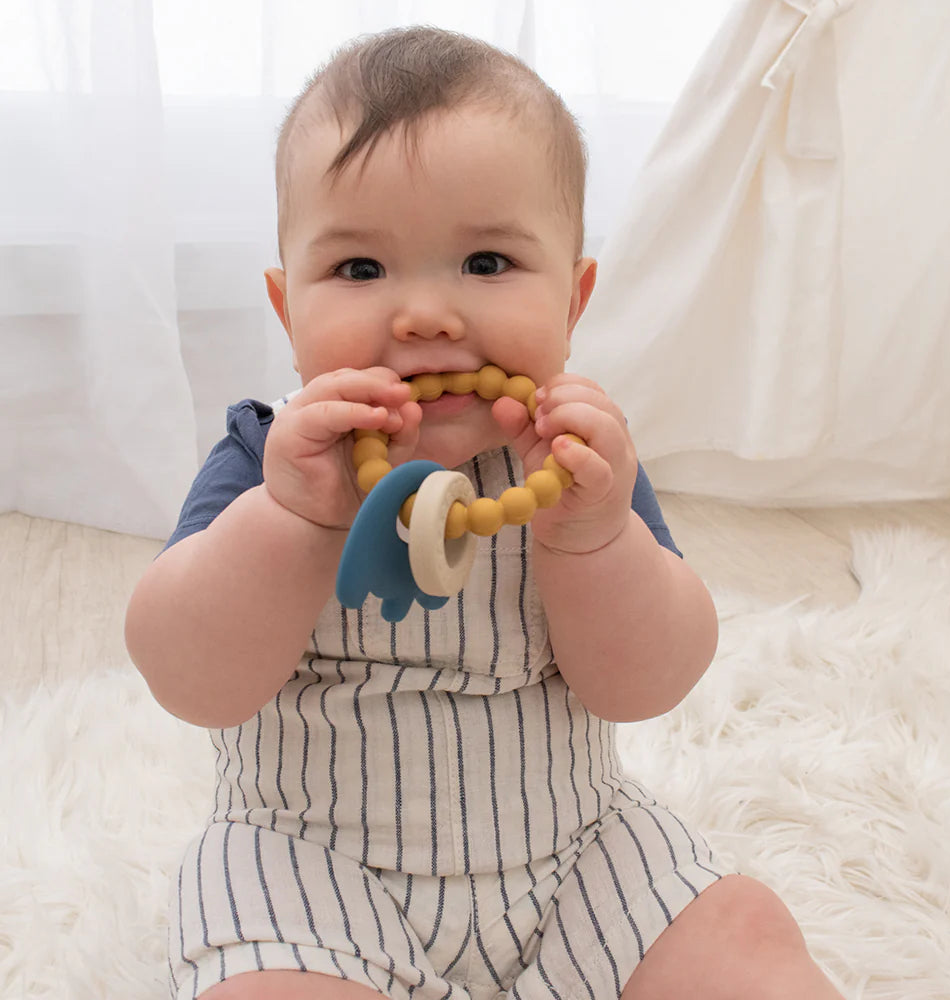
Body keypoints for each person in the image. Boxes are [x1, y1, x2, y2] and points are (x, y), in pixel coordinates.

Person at [125, 25, 844, 1000]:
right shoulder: (268, 459)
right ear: (287, 310)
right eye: (361, 271)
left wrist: (593, 540)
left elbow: (648, 681)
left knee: (744, 931)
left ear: (574, 299)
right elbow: (188, 676)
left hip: (577, 856)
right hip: (309, 870)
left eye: (488, 262)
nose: (425, 314)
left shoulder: (574, 467)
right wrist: (291, 522)